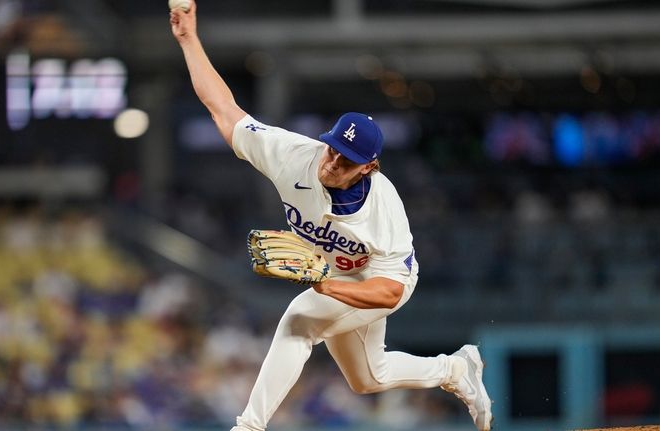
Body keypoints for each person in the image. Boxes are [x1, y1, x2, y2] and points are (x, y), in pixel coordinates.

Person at [170, 3, 493, 431]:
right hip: (334, 271)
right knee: (368, 377)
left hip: (380, 279)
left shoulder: (383, 208)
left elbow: (389, 294)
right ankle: (454, 369)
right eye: (333, 147)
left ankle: (248, 427)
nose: (333, 161)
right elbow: (224, 111)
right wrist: (189, 40)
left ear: (368, 167)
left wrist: (326, 284)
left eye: (347, 160)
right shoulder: (295, 156)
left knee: (299, 321)